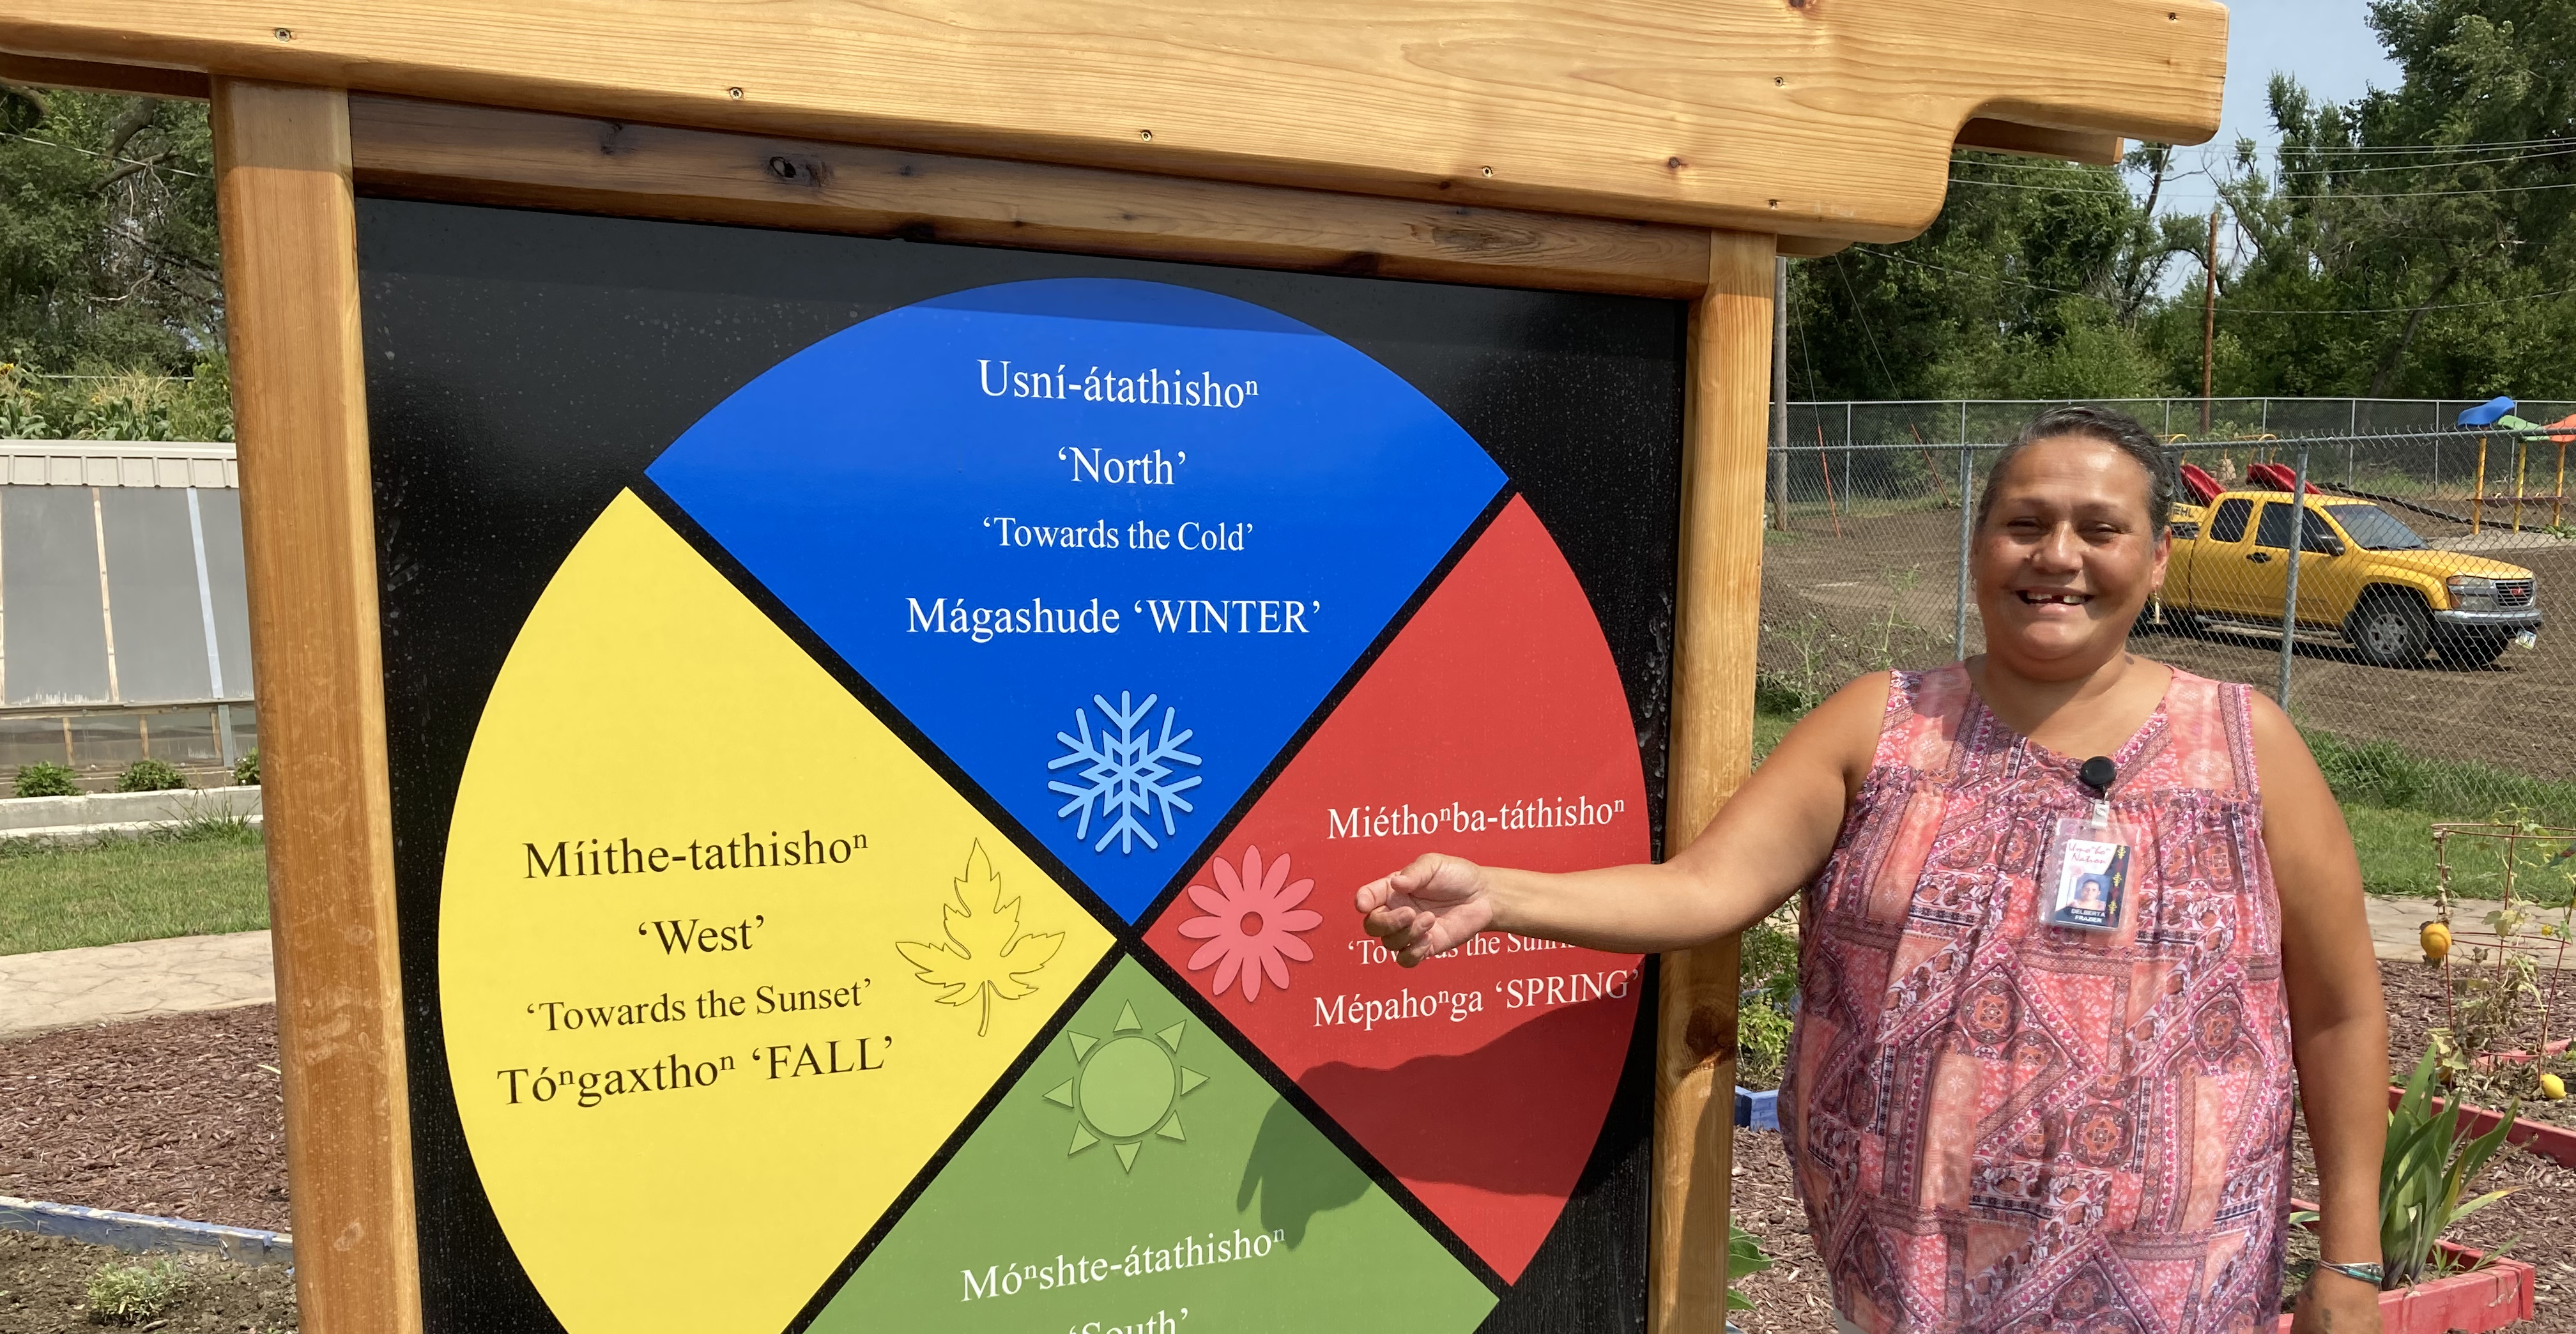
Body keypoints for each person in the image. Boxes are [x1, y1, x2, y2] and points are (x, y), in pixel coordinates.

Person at [1356, 407, 2387, 1334]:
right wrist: (1501, 894)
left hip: (2175, 1294)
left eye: (2099, 529)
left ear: (2159, 558)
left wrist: (2350, 1256)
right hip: (1912, 1286)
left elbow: (2339, 1011)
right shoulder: (1882, 725)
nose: (2057, 555)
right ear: (1980, 544)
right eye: (2024, 523)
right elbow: (1705, 889)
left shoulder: (2248, 748)